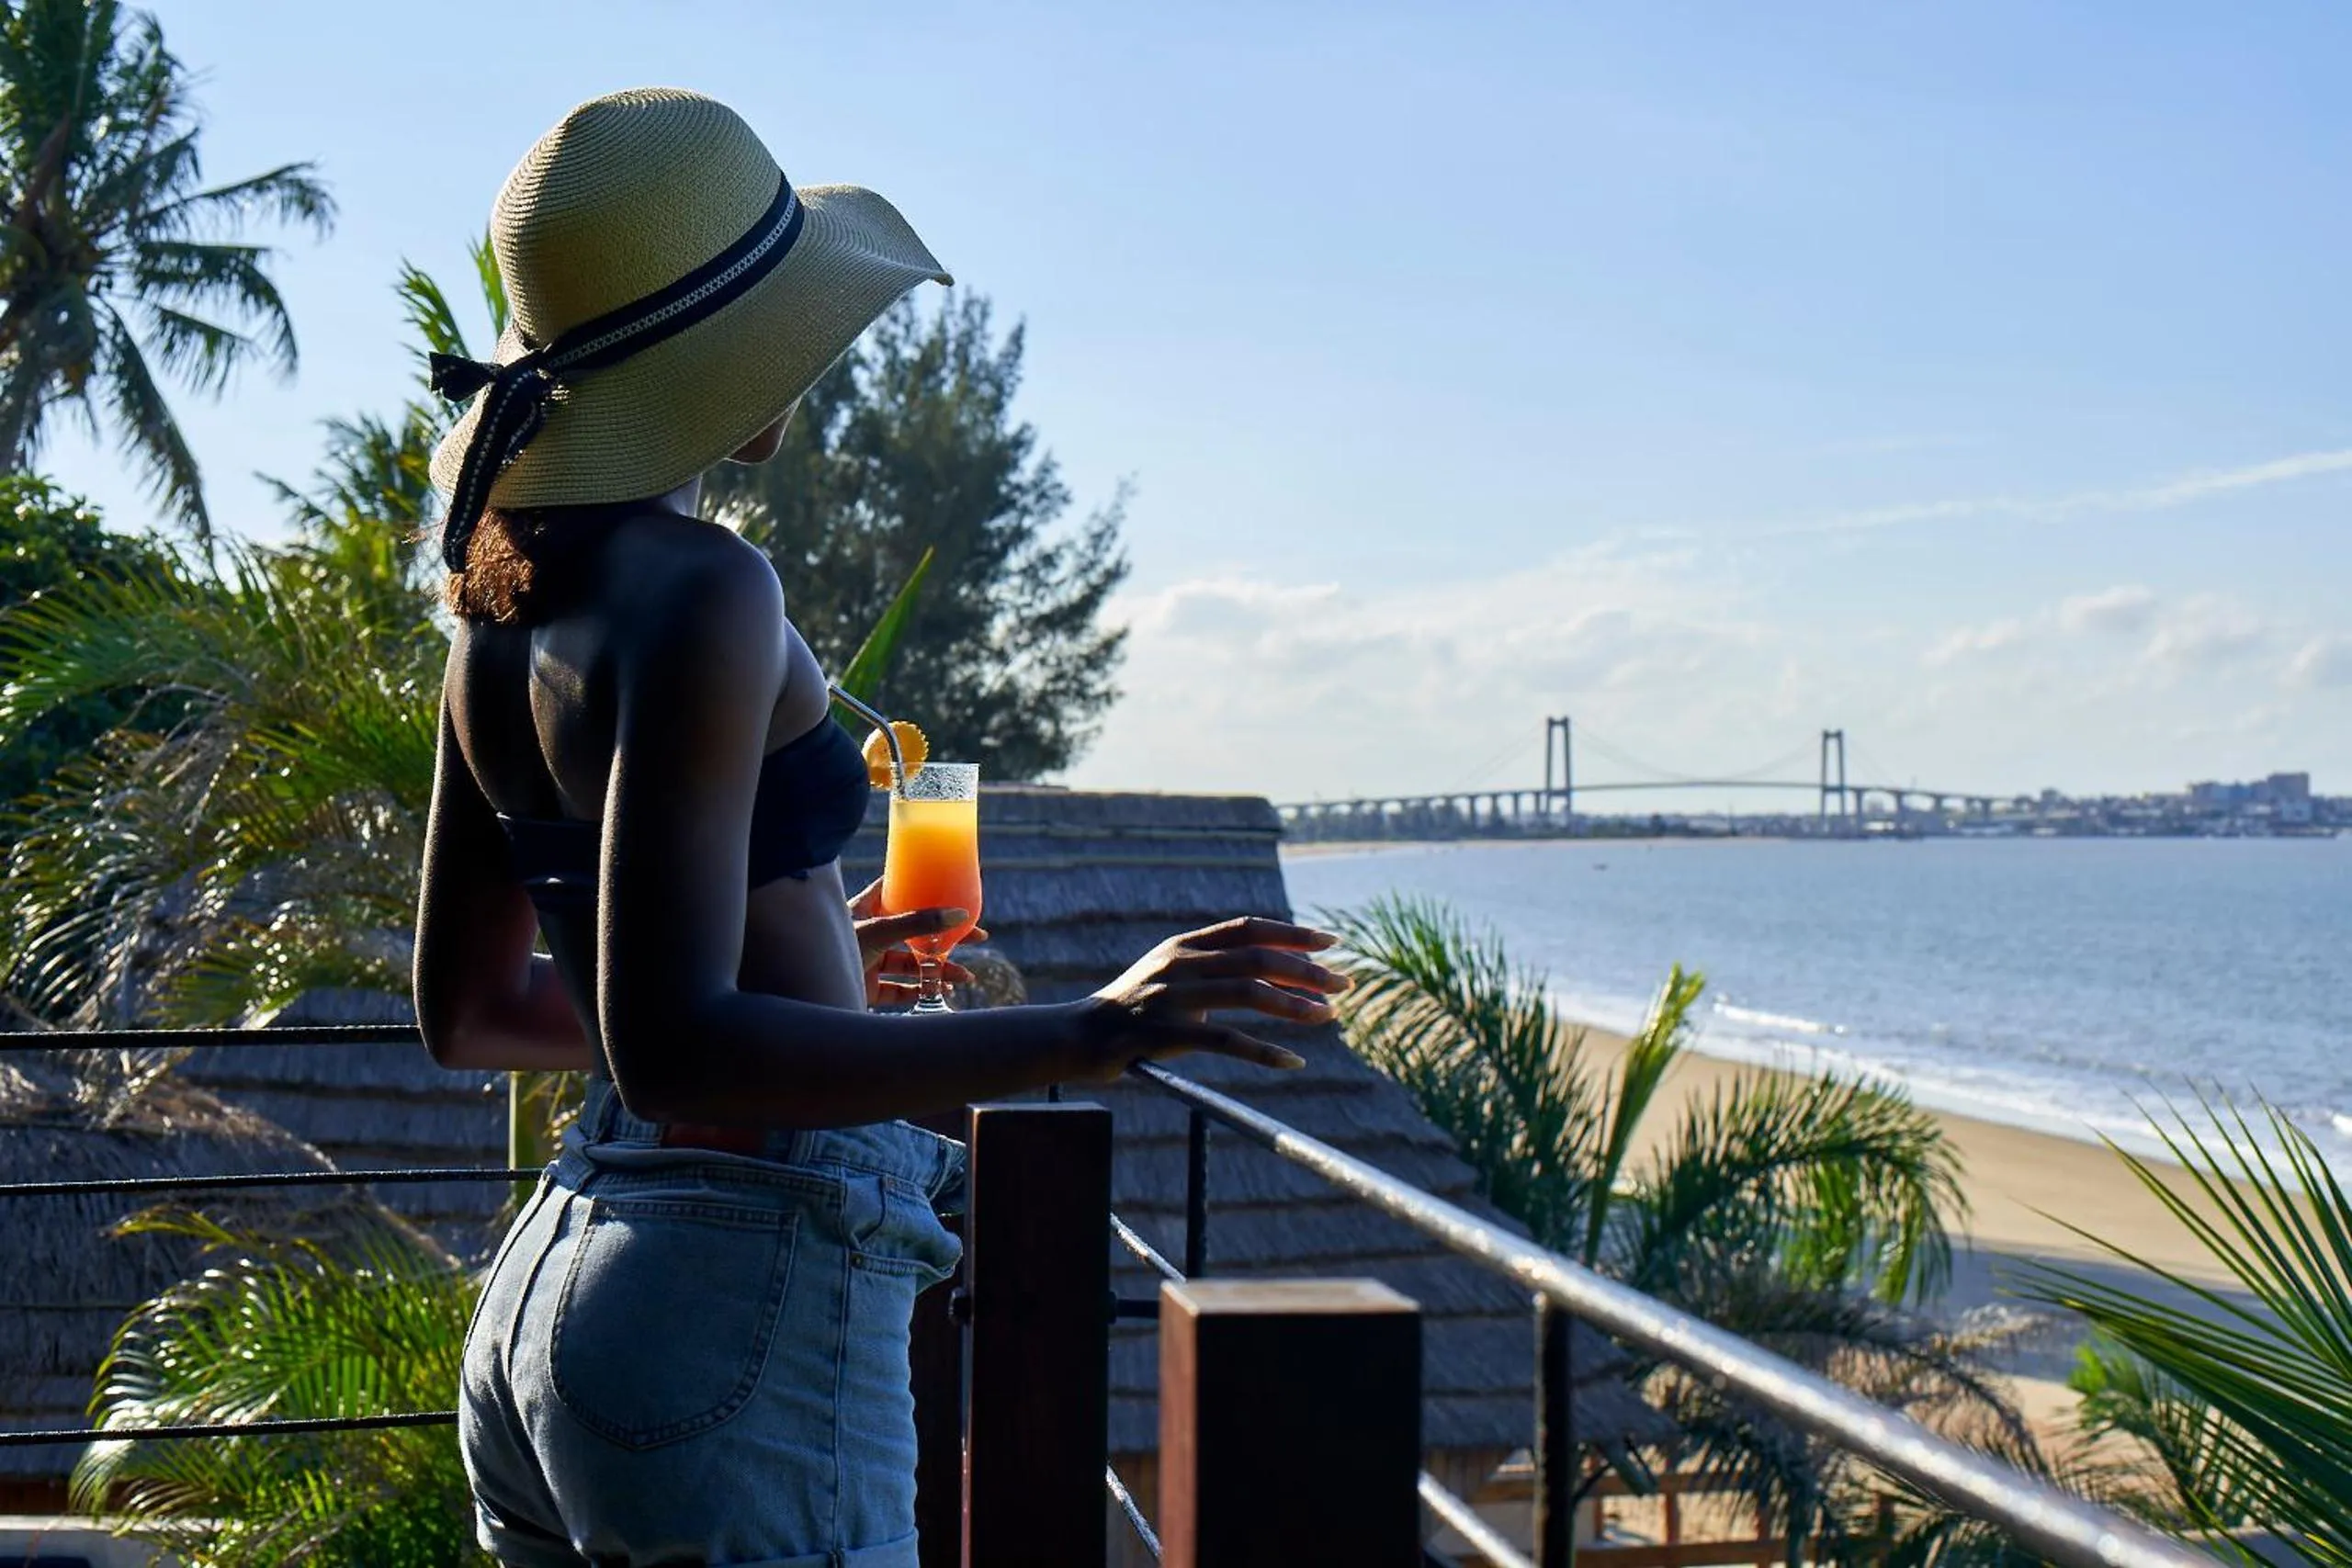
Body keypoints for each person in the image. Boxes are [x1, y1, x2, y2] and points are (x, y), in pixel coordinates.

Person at [409, 88, 1343, 1567]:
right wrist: (1091, 1030)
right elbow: (675, 1046)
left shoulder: (500, 613)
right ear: (720, 352)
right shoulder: (707, 589)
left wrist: (787, 974)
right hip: (738, 1292)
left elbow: (471, 1011)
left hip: (564, 1279)